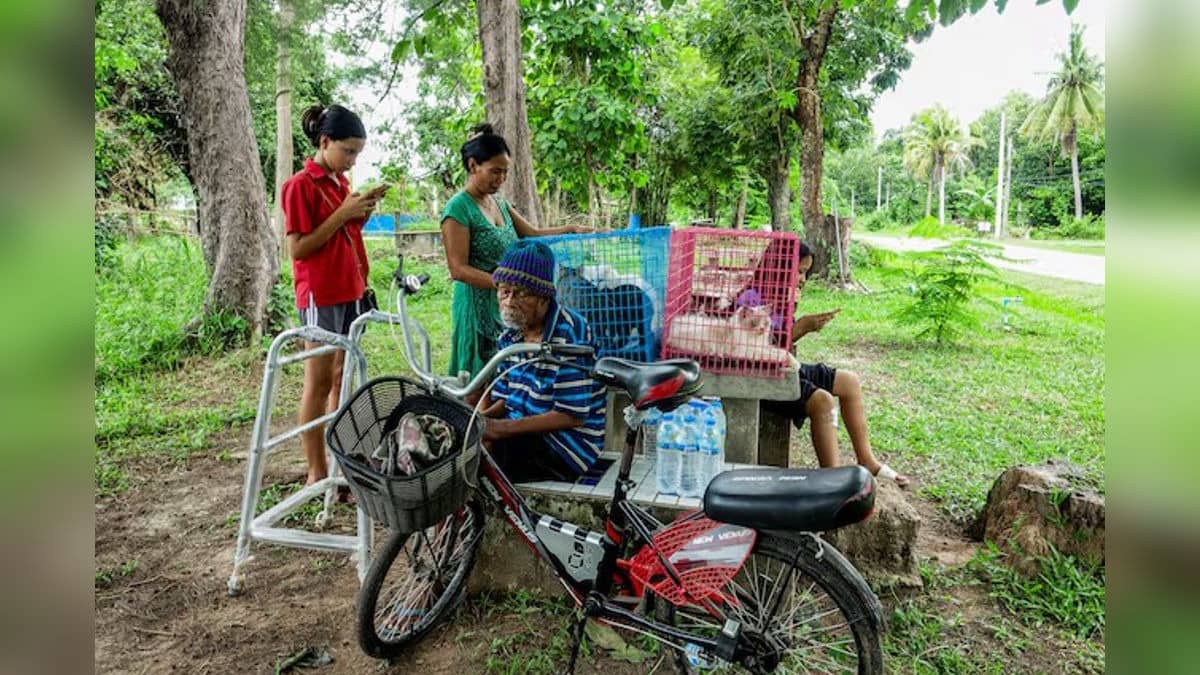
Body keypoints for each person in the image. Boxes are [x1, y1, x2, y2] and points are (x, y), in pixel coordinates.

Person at [281, 104, 386, 486]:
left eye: (358, 153)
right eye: (348, 151)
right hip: (320, 295)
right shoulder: (299, 186)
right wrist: (343, 214)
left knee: (342, 378)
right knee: (319, 381)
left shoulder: (340, 184)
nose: (352, 160)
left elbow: (345, 233)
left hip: (350, 289)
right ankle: (316, 470)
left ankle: (341, 462)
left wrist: (361, 211)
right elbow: (298, 249)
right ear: (324, 142)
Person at [441, 123, 589, 382]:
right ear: (473, 165)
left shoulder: (499, 204)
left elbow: (531, 234)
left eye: (505, 173)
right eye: (494, 172)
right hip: (476, 306)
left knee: (504, 371)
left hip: (505, 300)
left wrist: (570, 229)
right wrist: (504, 285)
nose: (500, 179)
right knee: (476, 377)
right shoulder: (458, 209)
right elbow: (458, 269)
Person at [760, 242, 912, 488]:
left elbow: (782, 343)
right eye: (798, 272)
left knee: (849, 382)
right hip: (761, 376)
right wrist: (802, 328)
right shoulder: (753, 299)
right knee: (823, 402)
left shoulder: (783, 296)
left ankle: (867, 460)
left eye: (805, 273)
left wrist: (800, 320)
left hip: (783, 366)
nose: (803, 279)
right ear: (779, 268)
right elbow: (762, 351)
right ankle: (832, 483)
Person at [477, 241, 606, 482]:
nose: (509, 301)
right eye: (504, 291)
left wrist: (497, 430)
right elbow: (507, 398)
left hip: (566, 446)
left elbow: (571, 415)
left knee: (481, 466)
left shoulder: (570, 333)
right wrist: (481, 422)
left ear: (544, 297)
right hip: (523, 430)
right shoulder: (511, 335)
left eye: (521, 292)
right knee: (462, 448)